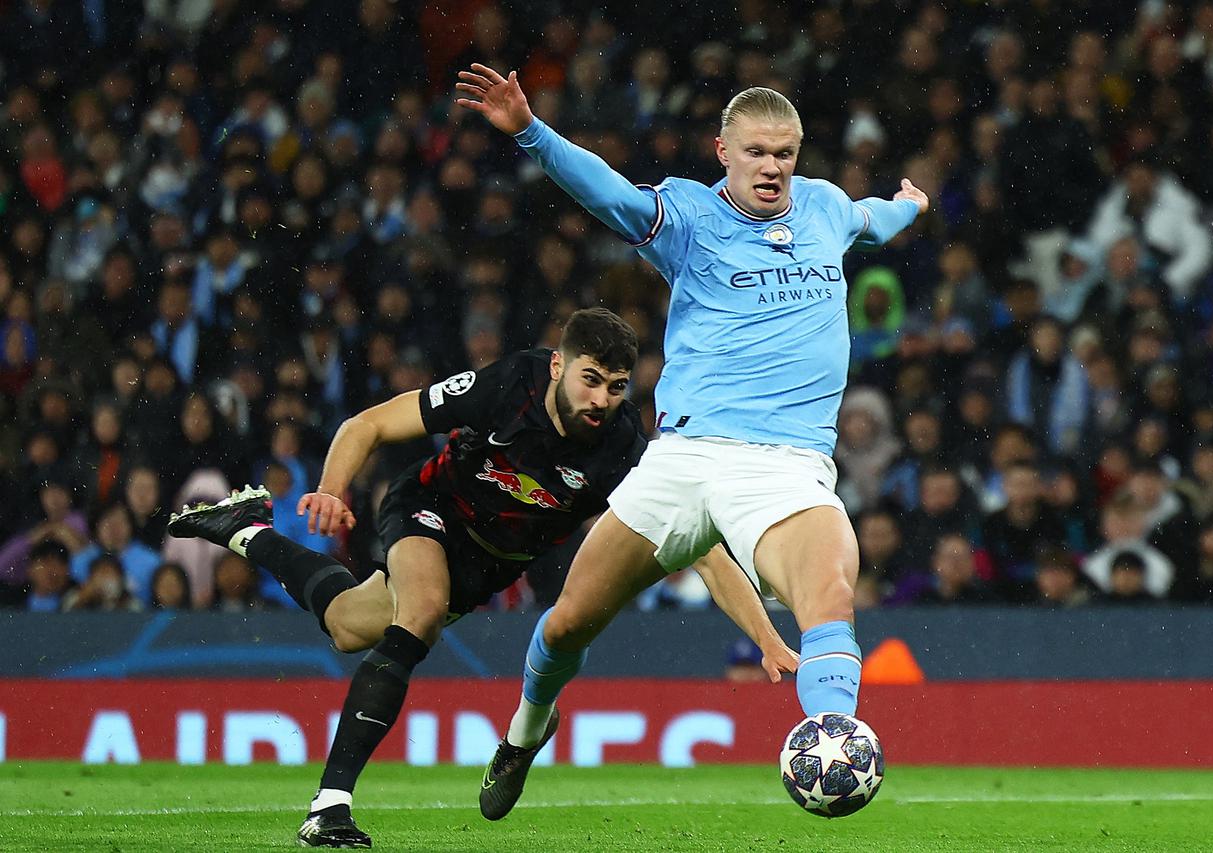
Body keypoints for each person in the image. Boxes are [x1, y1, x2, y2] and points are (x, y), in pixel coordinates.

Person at [453, 64, 927, 819]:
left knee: (829, 593)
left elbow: (874, 217)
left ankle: (833, 730)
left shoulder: (825, 209)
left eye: (786, 153)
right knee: (571, 619)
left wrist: (908, 205)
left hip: (782, 465)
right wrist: (533, 134)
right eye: (757, 152)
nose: (772, 167)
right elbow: (610, 193)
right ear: (723, 152)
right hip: (681, 459)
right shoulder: (688, 218)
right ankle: (523, 732)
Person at [168, 308, 792, 847]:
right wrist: (331, 489)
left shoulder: (625, 447)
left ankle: (246, 530)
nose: (601, 399)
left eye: (617, 387)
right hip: (430, 506)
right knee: (419, 617)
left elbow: (705, 551)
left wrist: (765, 635)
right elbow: (370, 424)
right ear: (558, 366)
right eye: (590, 379)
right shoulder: (508, 383)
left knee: (348, 626)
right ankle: (329, 807)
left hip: (492, 563)